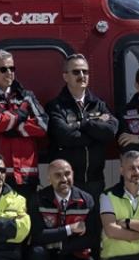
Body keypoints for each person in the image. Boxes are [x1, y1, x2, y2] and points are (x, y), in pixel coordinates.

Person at [29, 159, 104, 260]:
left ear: (73, 174)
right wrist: (70, 229)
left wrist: (62, 245)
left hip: (73, 255)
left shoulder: (86, 199)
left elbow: (92, 238)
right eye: (57, 175)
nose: (64, 179)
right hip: (47, 258)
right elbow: (37, 236)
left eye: (67, 174)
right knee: (36, 252)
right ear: (49, 178)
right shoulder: (38, 199)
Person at [0, 50, 47, 197]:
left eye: (12, 68)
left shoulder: (26, 96)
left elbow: (43, 125)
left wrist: (11, 126)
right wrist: (21, 115)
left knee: (25, 213)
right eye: (3, 69)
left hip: (25, 176)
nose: (9, 73)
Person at [45, 54, 118, 201]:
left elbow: (110, 131)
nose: (82, 75)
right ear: (65, 76)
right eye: (76, 72)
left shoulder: (99, 105)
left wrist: (82, 124)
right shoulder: (55, 107)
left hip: (96, 181)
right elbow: (65, 137)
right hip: (68, 183)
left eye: (85, 71)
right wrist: (96, 135)